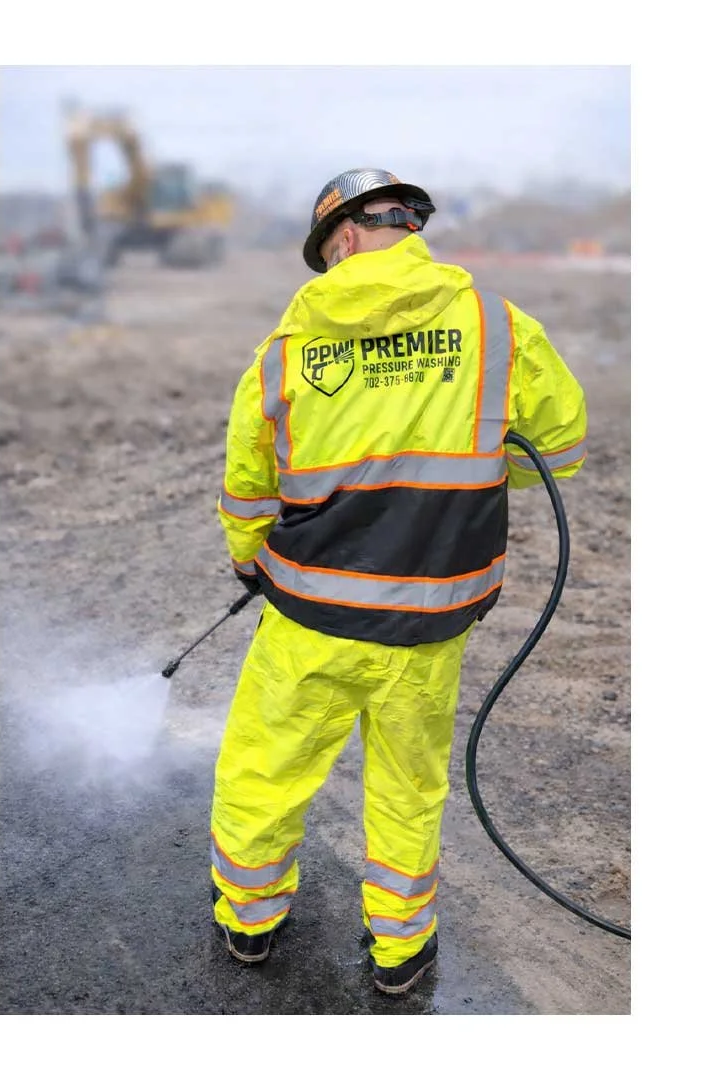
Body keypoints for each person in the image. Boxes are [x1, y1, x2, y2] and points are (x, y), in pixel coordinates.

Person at [210, 168, 588, 995]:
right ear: (408, 226)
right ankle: (400, 952)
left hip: (310, 616)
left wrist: (248, 552)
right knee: (409, 788)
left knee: (265, 770)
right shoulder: (496, 327)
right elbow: (558, 452)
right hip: (431, 619)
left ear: (340, 239)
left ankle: (248, 920)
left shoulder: (288, 350)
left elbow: (248, 482)